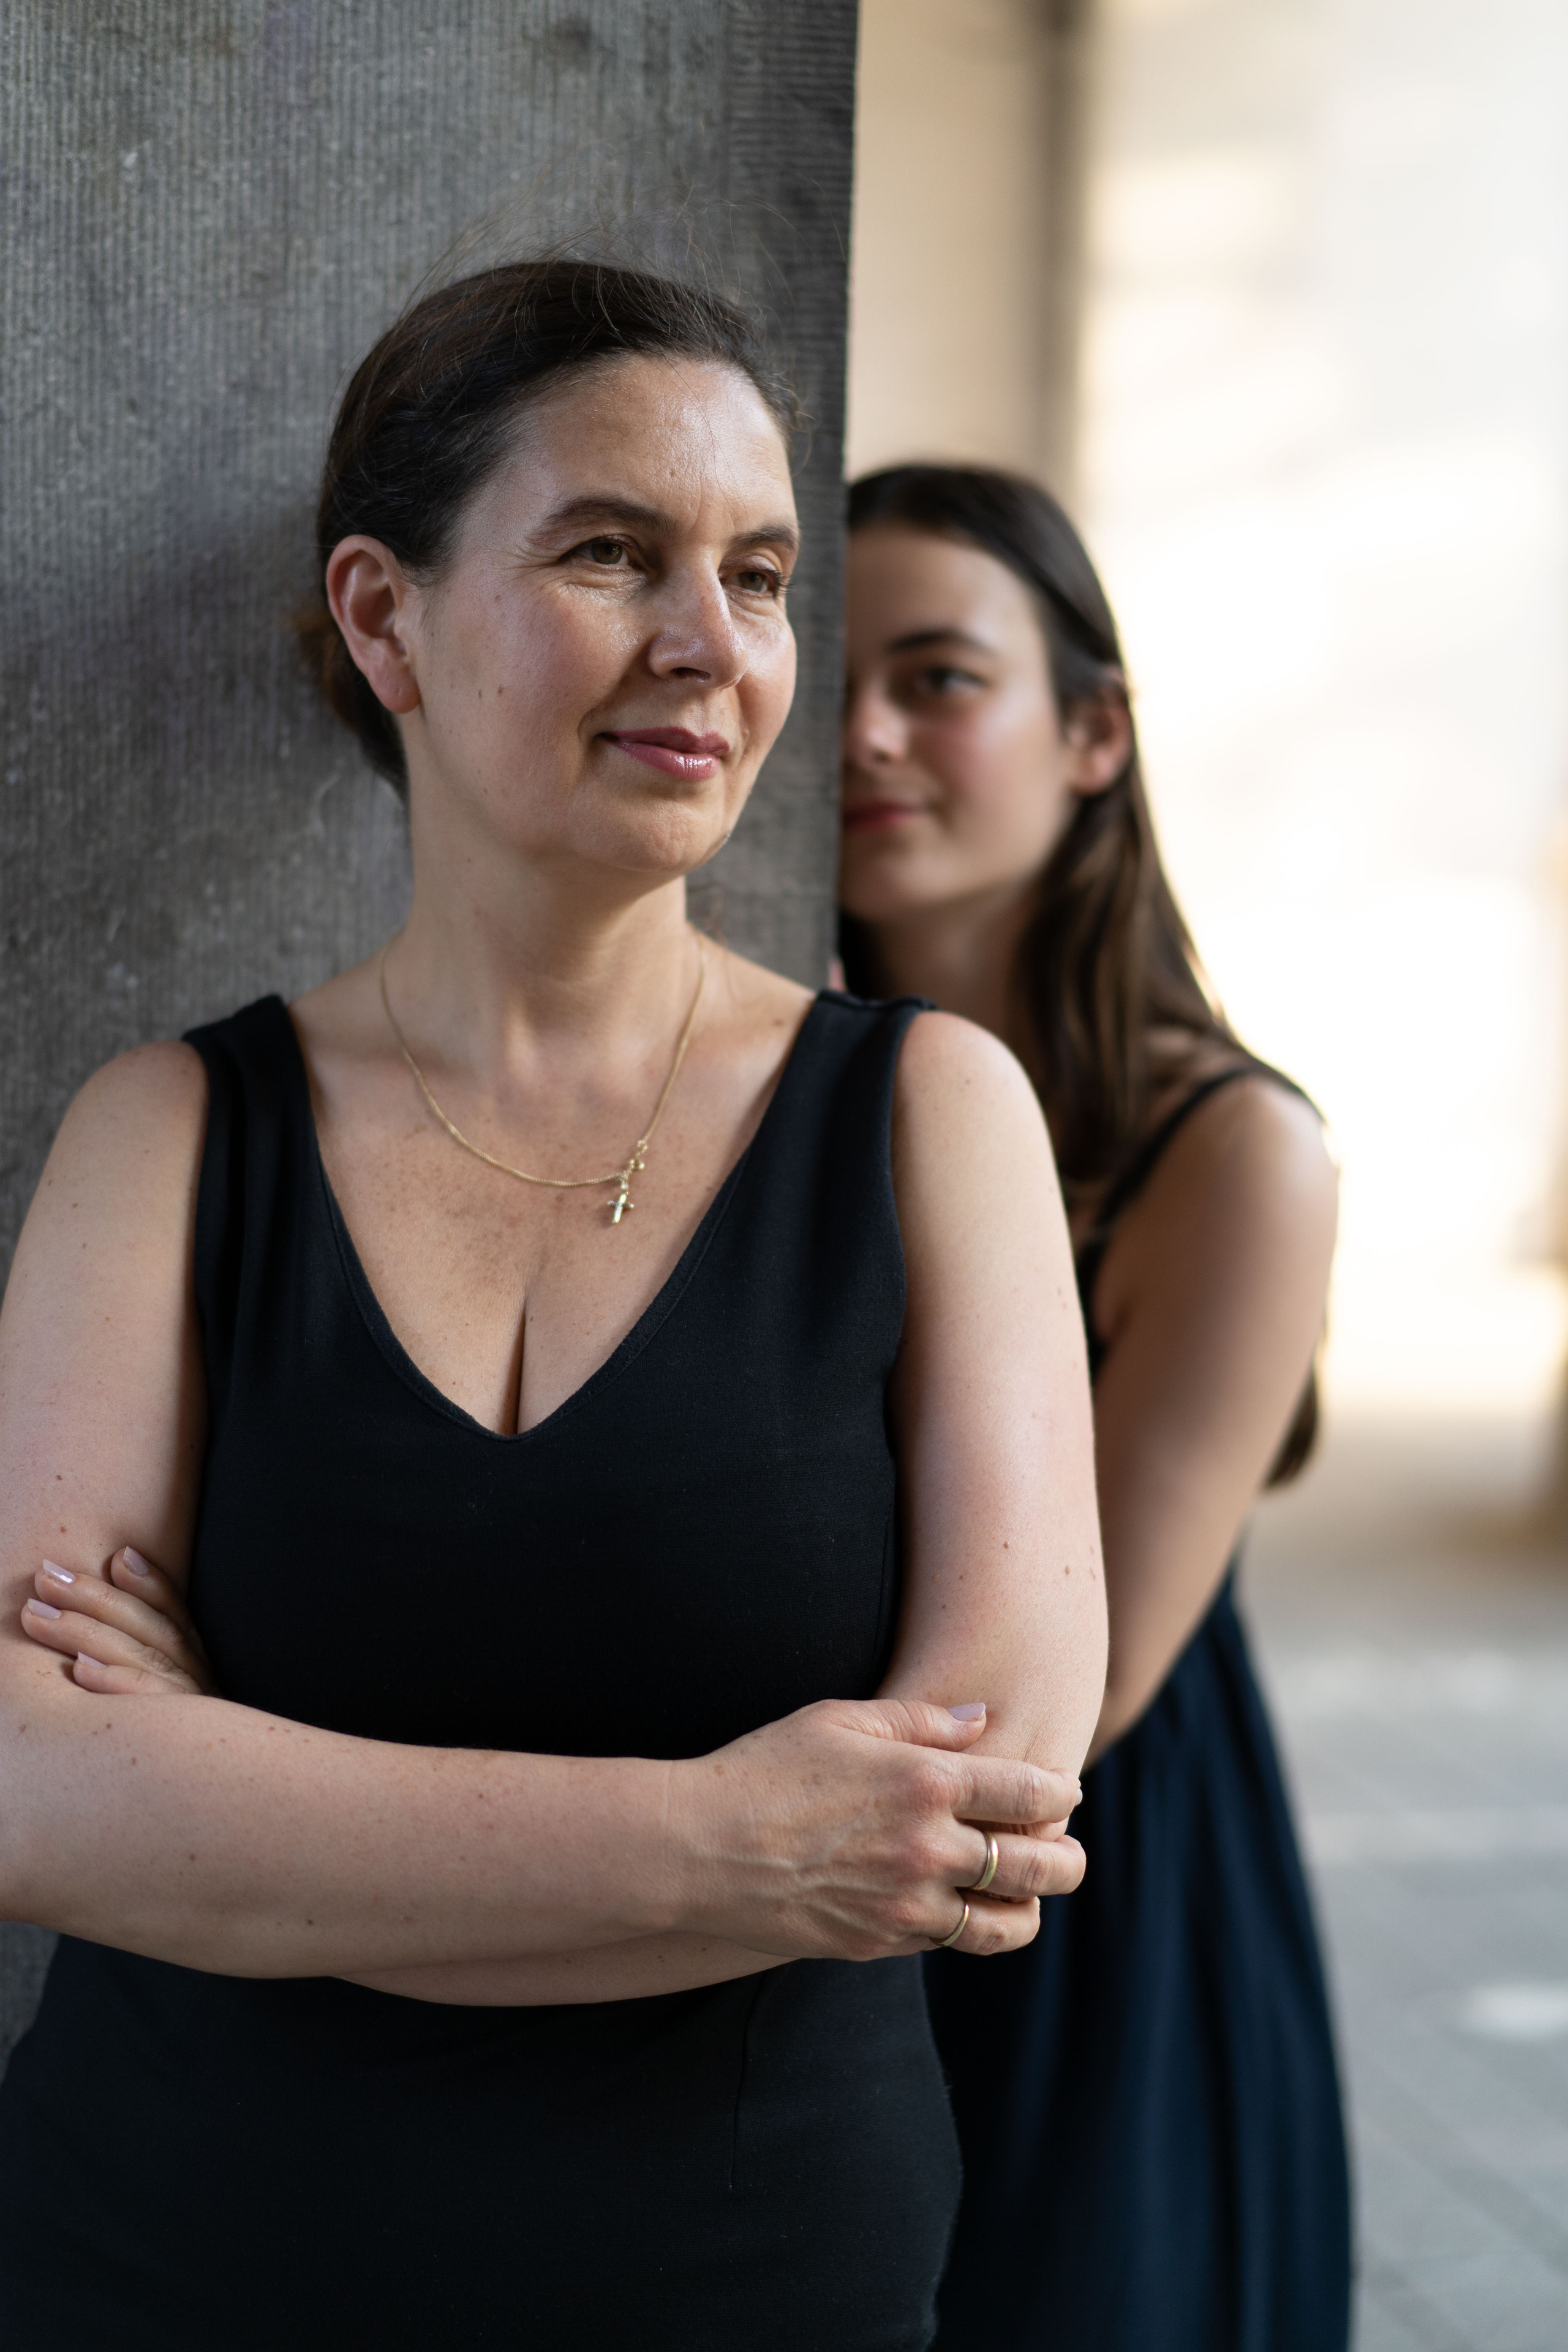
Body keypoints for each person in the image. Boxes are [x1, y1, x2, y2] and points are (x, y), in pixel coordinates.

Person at [0, 274, 1107, 2351]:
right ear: (383, 616)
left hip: (749, 2278)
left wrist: (240, 1803)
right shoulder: (164, 1135)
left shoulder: (929, 1116)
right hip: (169, 2265)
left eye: (760, 575)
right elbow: (34, 1791)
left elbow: (966, 1828)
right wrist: (728, 1840)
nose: (715, 644)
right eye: (612, 552)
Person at [839, 464, 1352, 2352]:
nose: (867, 736)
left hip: (1076, 1902)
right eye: (837, 679)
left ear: (1093, 736)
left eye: (941, 678)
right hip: (792, 1870)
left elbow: (1074, 1687)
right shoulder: (753, 1088)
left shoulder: (1234, 1155)